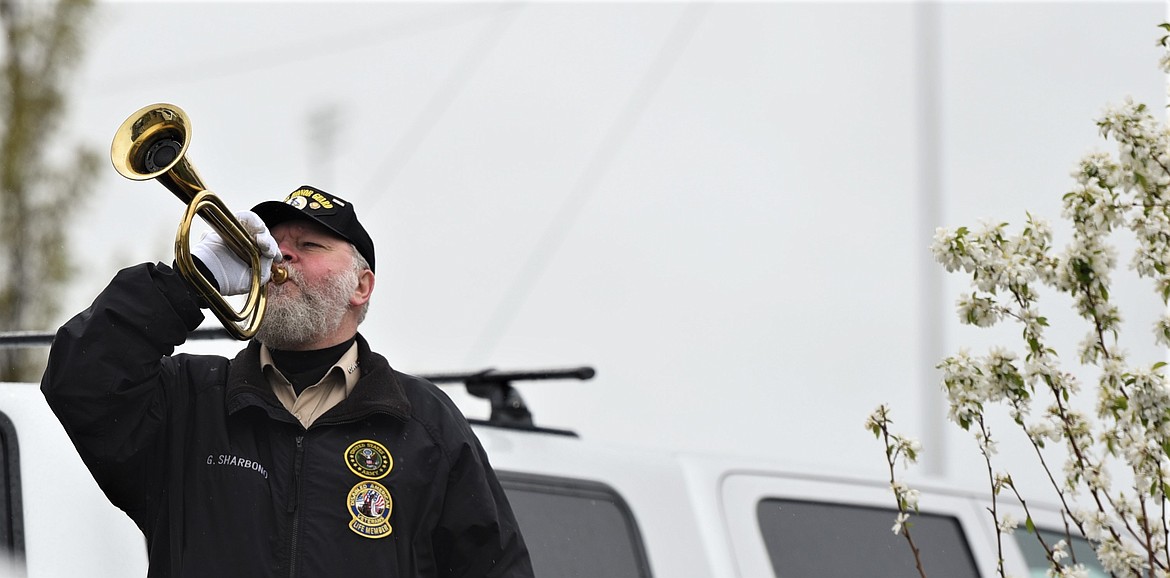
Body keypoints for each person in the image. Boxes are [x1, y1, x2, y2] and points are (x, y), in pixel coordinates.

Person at [41, 185, 533, 577]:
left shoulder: (425, 423)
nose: (281, 257)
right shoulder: (190, 400)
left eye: (309, 245)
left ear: (361, 287)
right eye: (275, 245)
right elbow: (81, 380)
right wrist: (189, 283)